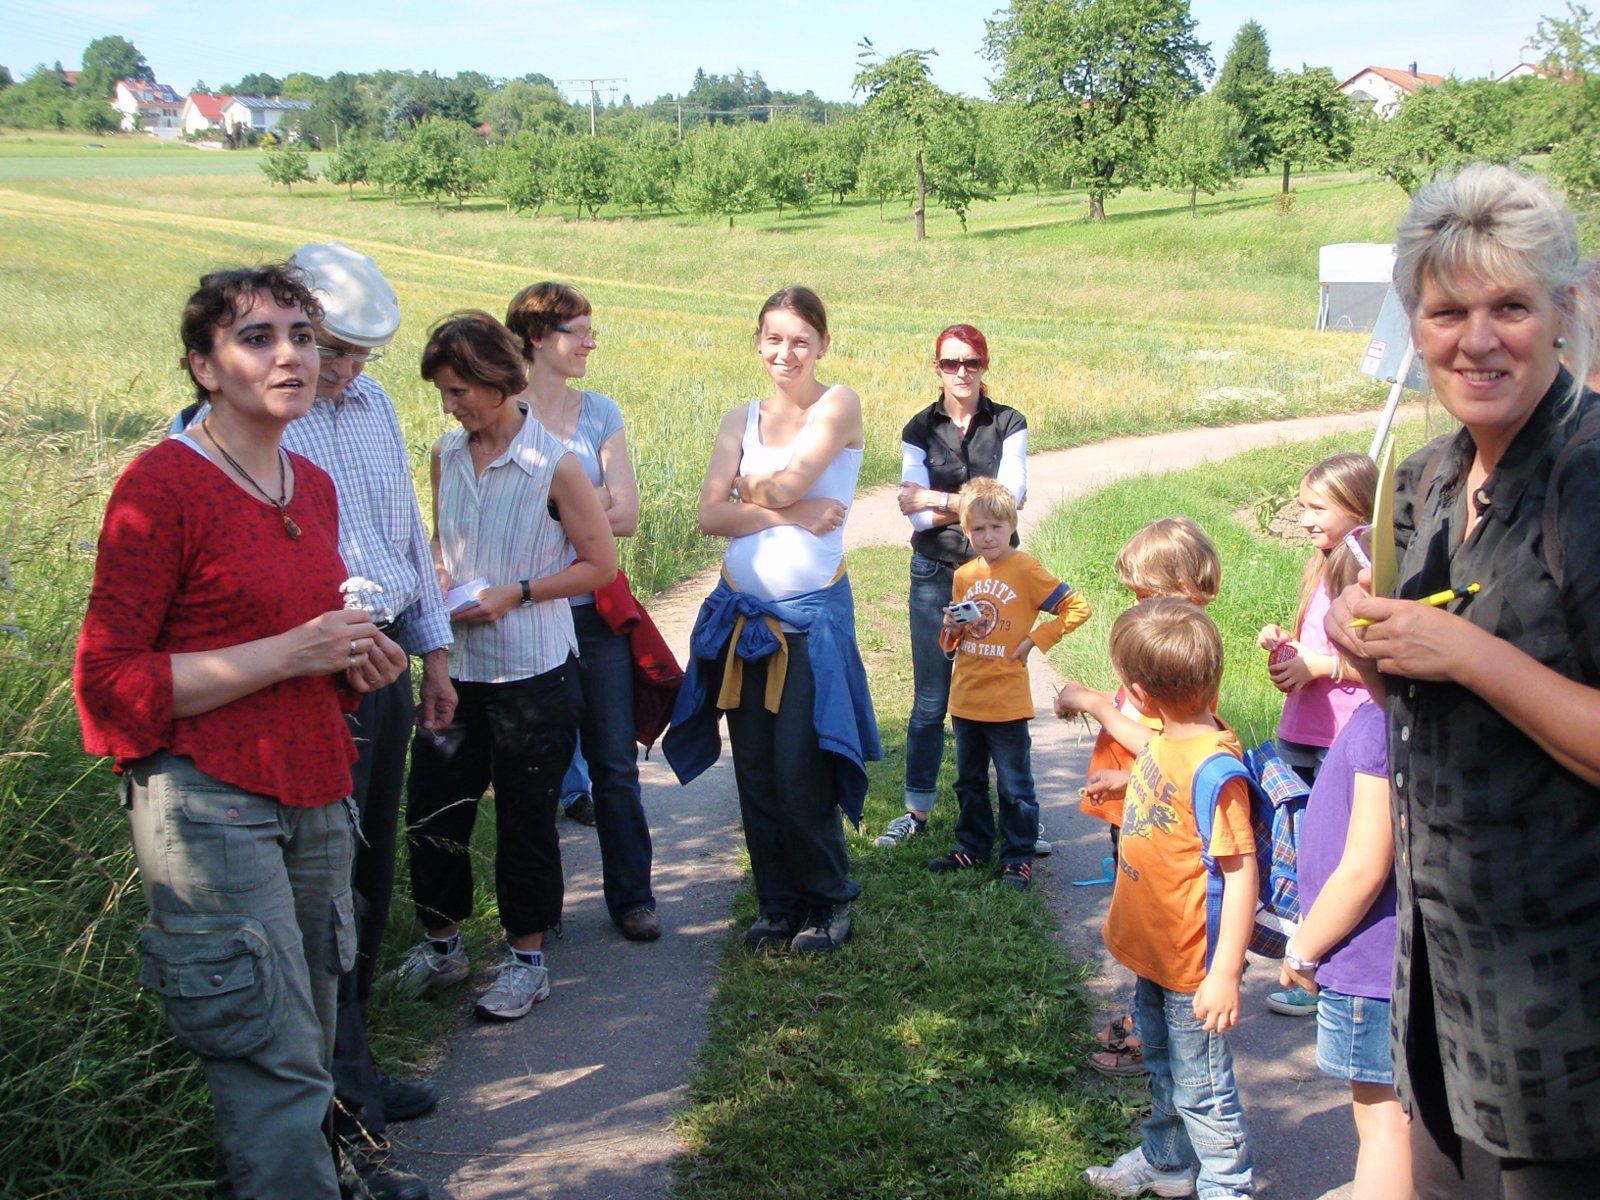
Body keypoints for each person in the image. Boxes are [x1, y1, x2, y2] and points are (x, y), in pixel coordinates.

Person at [74, 264, 409, 1198]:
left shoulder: (311, 484)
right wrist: (288, 653)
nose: (290, 355)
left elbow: (305, 647)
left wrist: (352, 664)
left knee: (311, 1026)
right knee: (269, 1049)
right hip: (208, 798)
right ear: (205, 368)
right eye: (257, 338)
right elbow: (107, 684)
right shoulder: (162, 487)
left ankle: (324, 1179)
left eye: (302, 335)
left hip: (314, 782)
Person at [1329, 164, 1600, 1197]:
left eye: (1509, 307)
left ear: (1560, 312)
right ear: (1413, 322)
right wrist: (1373, 649)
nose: (1476, 340)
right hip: (1442, 987)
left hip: (1565, 1015)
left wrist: (1467, 655)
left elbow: (1473, 667)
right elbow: (1431, 711)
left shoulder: (1587, 473)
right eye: (1447, 311)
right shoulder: (1432, 480)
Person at [395, 311, 617, 1020]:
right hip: (455, 673)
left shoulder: (557, 465)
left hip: (533, 677)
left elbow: (599, 567)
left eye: (461, 391)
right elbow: (442, 541)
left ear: (499, 379)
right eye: (443, 394)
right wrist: (438, 577)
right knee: (432, 815)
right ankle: (442, 949)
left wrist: (515, 594)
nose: (451, 406)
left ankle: (527, 963)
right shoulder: (445, 454)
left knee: (525, 824)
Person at [663, 285, 880, 955]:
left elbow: (779, 485)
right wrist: (788, 513)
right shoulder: (739, 418)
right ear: (757, 342)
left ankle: (827, 900)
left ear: (822, 344)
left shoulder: (838, 404)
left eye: (799, 340)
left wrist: (752, 492)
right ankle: (777, 902)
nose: (785, 352)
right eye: (773, 338)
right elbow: (709, 516)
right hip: (741, 619)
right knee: (755, 767)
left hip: (808, 623)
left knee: (801, 767)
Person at [1081, 599, 1256, 1200]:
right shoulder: (1168, 736)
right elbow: (1158, 760)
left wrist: (1225, 974)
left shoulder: (1217, 769)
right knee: (1162, 1069)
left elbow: (1240, 875)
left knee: (1202, 1089)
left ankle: (1228, 1188)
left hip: (1191, 970)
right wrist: (1128, 779)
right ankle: (1166, 1162)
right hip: (1155, 954)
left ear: (1139, 691)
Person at [504, 281, 658, 941]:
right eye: (578, 330)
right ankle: (540, 912)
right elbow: (500, 521)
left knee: (615, 766)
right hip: (527, 618)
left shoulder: (601, 410)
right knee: (535, 772)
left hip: (594, 618)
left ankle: (633, 899)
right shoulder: (502, 413)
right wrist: (588, 495)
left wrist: (557, 498)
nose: (591, 341)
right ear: (538, 338)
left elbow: (626, 517)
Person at [1053, 515, 1221, 1077]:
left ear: (1182, 592)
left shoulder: (1178, 649)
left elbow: (1163, 743)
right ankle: (1144, 1017)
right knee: (1142, 916)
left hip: (1152, 812)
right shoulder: (1167, 640)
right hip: (1133, 795)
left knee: (1158, 921)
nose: (1136, 604)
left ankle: (1154, 1032)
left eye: (1144, 593)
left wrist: (1098, 706)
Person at [1278, 528, 1411, 1200]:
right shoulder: (1401, 723)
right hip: (1392, 966)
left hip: (1366, 967)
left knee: (1383, 1123)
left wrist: (1303, 949)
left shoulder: (1377, 734)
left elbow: (1364, 868)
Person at [879, 323, 1038, 852]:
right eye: (951, 364)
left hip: (999, 576)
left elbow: (1013, 497)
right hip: (935, 574)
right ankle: (916, 811)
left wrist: (939, 499)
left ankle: (1020, 815)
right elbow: (913, 515)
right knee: (931, 698)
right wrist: (978, 506)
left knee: (1000, 690)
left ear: (984, 365)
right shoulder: (918, 428)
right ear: (937, 368)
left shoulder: (1009, 422)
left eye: (971, 362)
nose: (962, 373)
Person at [1255, 452, 1375, 1019]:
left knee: (1333, 857)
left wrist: (1322, 667)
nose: (1304, 518)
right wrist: (1286, 647)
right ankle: (1303, 959)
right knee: (1299, 855)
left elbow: (1376, 659)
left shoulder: (1364, 566)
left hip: (1342, 737)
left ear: (1358, 508)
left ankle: (1320, 974)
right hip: (1301, 729)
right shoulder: (1320, 562)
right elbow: (1315, 647)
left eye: (1316, 507)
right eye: (1301, 505)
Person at [925, 478, 1090, 889]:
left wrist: (1036, 639)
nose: (988, 536)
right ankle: (972, 846)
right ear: (966, 532)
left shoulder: (1026, 568)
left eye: (996, 527)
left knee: (1015, 785)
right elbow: (956, 639)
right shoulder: (963, 575)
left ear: (1011, 525)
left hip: (1007, 701)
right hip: (966, 698)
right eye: (978, 529)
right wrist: (950, 628)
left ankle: (1017, 855)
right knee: (969, 780)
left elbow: (1077, 607)